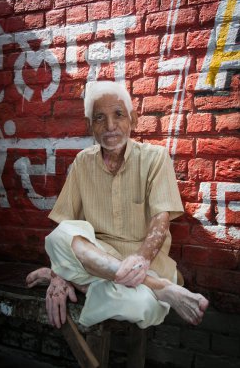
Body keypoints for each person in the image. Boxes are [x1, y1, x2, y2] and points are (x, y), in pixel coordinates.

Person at [26, 81, 209, 330]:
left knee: (142, 306)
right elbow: (63, 225)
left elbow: (160, 219)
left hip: (146, 264)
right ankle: (161, 289)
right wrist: (59, 275)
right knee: (60, 235)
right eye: (100, 118)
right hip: (97, 258)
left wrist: (141, 261)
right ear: (91, 127)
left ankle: (91, 284)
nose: (110, 126)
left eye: (119, 115)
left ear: (133, 120)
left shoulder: (155, 158)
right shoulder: (82, 162)